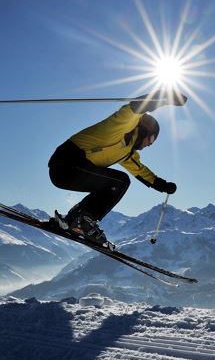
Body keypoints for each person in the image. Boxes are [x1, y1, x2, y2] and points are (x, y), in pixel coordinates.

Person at [48, 91, 187, 247]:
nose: (149, 145)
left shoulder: (127, 152)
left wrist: (162, 185)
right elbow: (138, 106)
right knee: (119, 181)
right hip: (67, 163)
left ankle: (75, 221)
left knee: (115, 183)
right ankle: (83, 223)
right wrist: (166, 97)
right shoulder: (122, 127)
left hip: (70, 172)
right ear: (145, 130)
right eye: (152, 139)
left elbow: (140, 171)